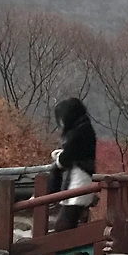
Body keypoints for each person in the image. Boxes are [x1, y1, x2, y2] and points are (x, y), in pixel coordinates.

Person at [49, 97, 96, 232]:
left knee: (64, 224)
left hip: (80, 178)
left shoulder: (79, 132)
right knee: (71, 222)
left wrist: (58, 160)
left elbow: (68, 156)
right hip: (81, 177)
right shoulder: (84, 128)